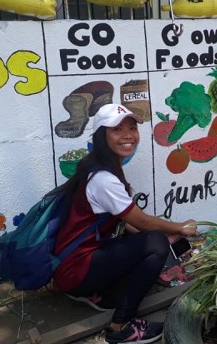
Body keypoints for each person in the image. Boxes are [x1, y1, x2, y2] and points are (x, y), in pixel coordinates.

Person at [51, 103, 197, 344]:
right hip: (76, 269)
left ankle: (93, 292)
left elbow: (123, 222)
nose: (128, 135)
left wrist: (158, 235)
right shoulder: (104, 179)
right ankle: (120, 326)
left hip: (72, 263)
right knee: (157, 242)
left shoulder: (95, 167)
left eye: (131, 128)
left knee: (149, 241)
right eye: (117, 130)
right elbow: (143, 222)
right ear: (101, 136)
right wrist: (179, 227)